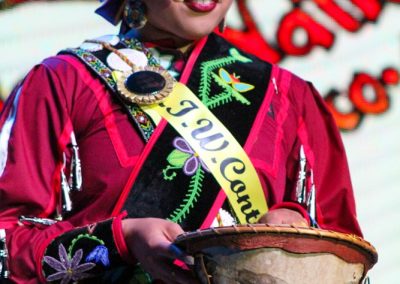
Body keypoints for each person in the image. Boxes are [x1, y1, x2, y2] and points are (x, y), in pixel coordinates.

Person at [0, 0, 363, 283]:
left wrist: (294, 229)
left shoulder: (288, 97)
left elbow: (349, 262)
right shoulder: (62, 84)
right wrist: (119, 241)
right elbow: (6, 245)